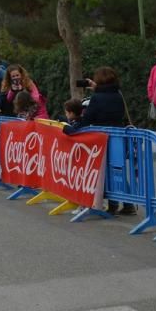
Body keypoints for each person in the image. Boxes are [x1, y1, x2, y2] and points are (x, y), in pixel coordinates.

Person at [64, 66, 137, 216]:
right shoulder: (118, 95)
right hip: (118, 136)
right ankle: (127, 203)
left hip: (102, 138)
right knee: (118, 170)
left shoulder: (97, 98)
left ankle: (112, 204)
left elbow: (88, 119)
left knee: (105, 171)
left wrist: (72, 129)